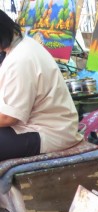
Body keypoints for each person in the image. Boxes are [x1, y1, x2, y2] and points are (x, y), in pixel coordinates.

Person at [0, 10, 81, 162]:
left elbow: (9, 118)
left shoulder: (20, 59)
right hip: (43, 126)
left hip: (50, 132)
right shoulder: (21, 45)